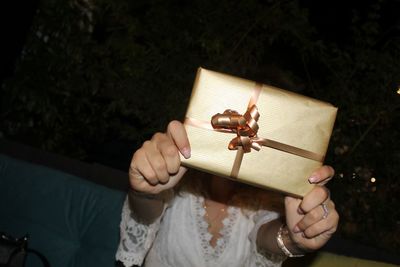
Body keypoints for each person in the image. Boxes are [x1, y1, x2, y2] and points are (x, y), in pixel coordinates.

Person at [115, 120, 339, 267]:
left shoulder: (262, 203)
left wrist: (297, 236)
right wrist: (146, 190)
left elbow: (266, 236)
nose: (244, 138)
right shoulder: (178, 179)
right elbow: (145, 215)